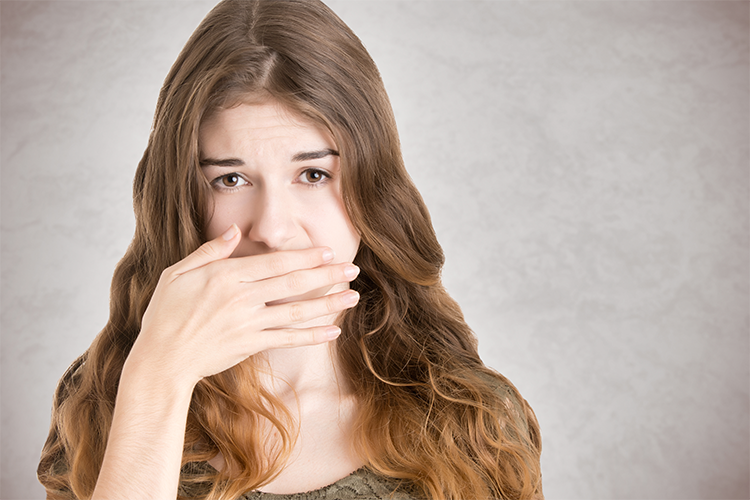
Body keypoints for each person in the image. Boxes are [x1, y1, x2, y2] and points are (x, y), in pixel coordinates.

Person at [37, 0, 543, 498]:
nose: (274, 230)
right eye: (230, 179)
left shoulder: (474, 421)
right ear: (181, 196)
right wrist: (156, 380)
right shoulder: (103, 398)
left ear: (373, 187)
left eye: (314, 174)